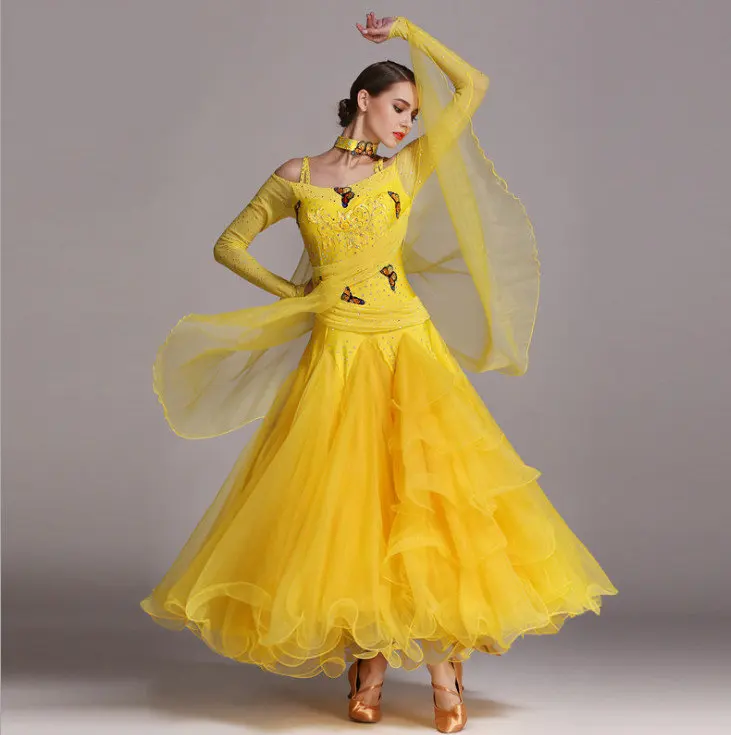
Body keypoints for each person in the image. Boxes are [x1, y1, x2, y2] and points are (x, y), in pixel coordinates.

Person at [140, 13, 618, 733]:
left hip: (406, 348)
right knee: (351, 505)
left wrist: (409, 33)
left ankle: (444, 674)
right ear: (362, 100)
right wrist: (296, 295)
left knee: (425, 502)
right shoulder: (296, 177)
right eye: (398, 106)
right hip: (337, 351)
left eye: (413, 114)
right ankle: (366, 665)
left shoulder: (406, 168)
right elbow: (229, 244)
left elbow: (474, 86)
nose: (405, 123)